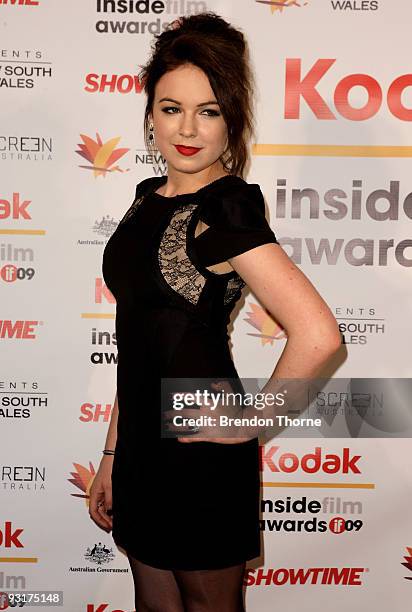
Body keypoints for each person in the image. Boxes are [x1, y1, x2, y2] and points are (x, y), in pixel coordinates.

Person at [89, 11, 341, 612]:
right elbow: (142, 339)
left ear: (233, 119)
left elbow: (318, 334)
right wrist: (111, 456)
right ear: (150, 113)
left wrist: (251, 419)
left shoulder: (227, 208)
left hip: (201, 452)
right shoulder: (147, 197)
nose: (188, 129)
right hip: (142, 449)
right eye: (172, 107)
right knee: (153, 606)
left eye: (209, 111)